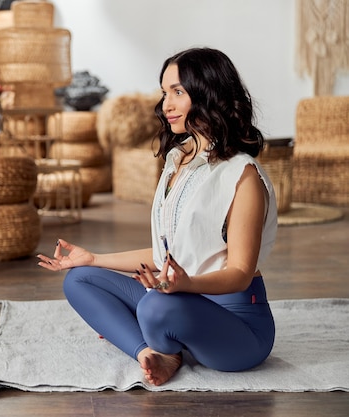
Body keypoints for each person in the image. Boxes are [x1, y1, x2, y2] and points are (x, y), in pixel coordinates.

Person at [37, 47, 278, 386]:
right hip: (179, 297)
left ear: (209, 92)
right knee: (80, 278)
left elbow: (239, 273)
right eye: (165, 92)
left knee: (154, 308)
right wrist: (94, 258)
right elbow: (166, 257)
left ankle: (162, 333)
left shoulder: (243, 175)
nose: (166, 104)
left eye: (178, 91)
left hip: (236, 325)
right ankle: (151, 353)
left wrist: (186, 285)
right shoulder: (177, 160)